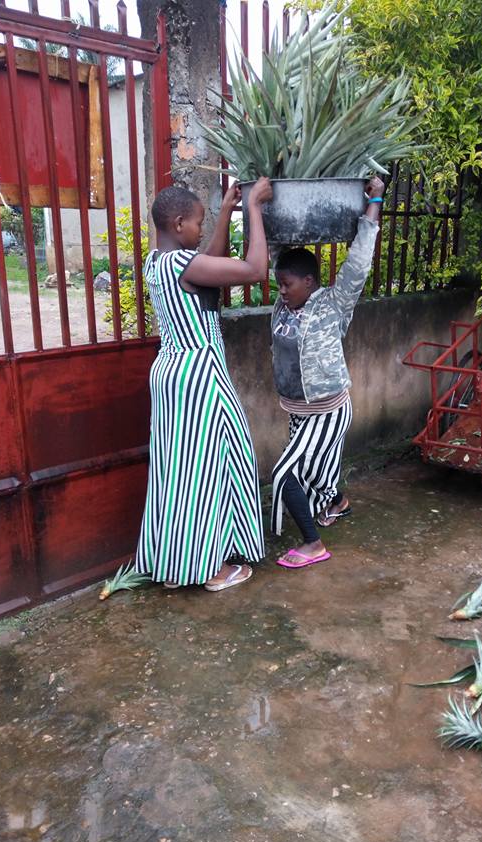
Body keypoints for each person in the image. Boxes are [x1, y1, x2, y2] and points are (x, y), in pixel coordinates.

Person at [135, 177, 273, 591]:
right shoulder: (183, 265)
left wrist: (225, 211)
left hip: (171, 373)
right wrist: (253, 209)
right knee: (210, 470)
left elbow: (204, 264)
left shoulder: (156, 262)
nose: (199, 231)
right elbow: (254, 270)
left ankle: (177, 564)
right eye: (196, 223)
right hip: (200, 375)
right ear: (178, 224)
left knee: (179, 472)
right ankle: (209, 570)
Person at [271, 176, 384, 569]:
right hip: (297, 411)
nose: (281, 291)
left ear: (310, 281)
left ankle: (312, 544)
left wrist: (375, 200)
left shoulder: (333, 305)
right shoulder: (283, 308)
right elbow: (275, 241)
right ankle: (337, 500)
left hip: (328, 409)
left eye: (287, 284)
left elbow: (358, 263)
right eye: (278, 284)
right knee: (318, 471)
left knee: (285, 474)